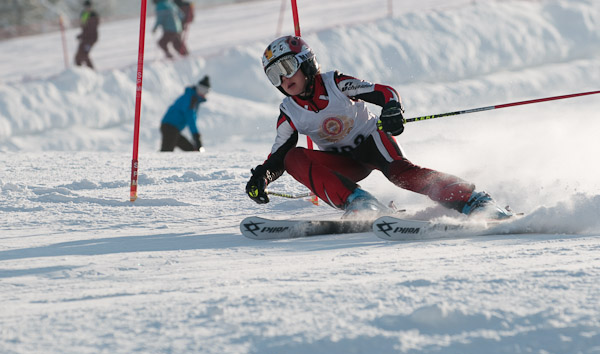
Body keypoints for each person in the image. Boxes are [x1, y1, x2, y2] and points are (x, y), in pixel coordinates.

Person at [245, 35, 513, 219]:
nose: (283, 78)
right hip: (344, 162)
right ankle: (360, 203)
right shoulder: (289, 111)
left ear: (305, 61)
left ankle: (474, 200)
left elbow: (384, 92)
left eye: (287, 66)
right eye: (273, 74)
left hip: (373, 141)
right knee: (294, 157)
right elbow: (279, 156)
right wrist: (262, 177)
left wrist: (392, 110)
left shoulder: (335, 83)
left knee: (400, 173)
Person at [160, 76, 210, 152]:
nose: (204, 93)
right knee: (166, 151)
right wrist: (196, 136)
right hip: (170, 127)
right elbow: (190, 117)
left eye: (206, 91)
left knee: (191, 149)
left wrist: (196, 138)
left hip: (174, 129)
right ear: (198, 88)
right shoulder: (190, 98)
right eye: (202, 90)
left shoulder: (193, 98)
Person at [74, 0, 99, 69]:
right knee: (78, 57)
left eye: (89, 7)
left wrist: (82, 35)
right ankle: (78, 72)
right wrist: (81, 35)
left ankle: (91, 71)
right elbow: (84, 28)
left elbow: (91, 29)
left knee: (84, 54)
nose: (87, 8)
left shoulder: (93, 15)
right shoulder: (84, 14)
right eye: (86, 7)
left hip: (91, 39)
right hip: (85, 38)